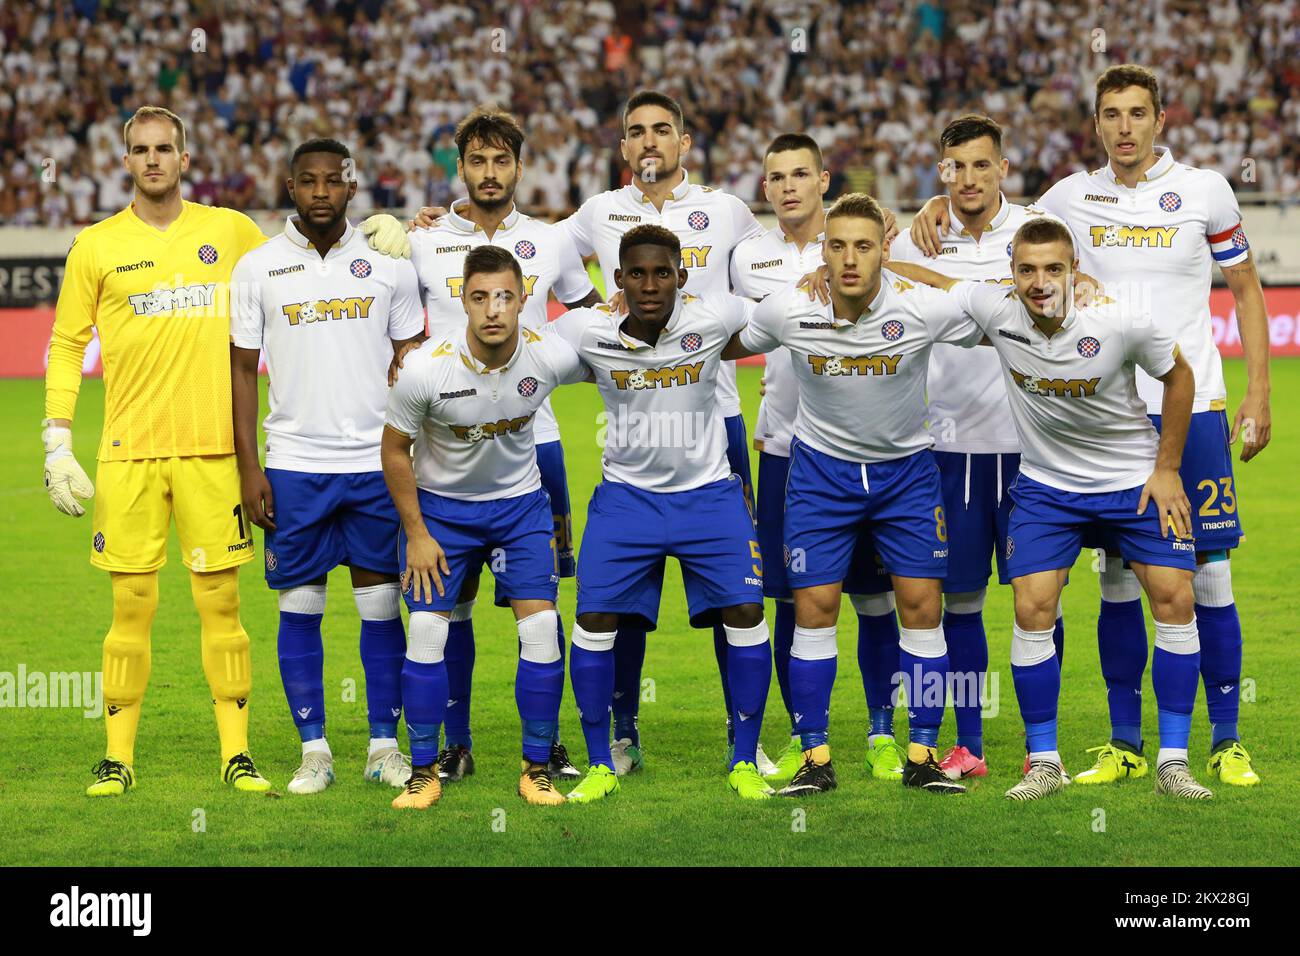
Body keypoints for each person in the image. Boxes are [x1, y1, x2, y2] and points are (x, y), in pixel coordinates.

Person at [909, 64, 1270, 787]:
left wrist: (1259, 391)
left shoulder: (1206, 191)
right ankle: (1125, 743)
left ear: (1161, 119)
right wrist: (931, 205)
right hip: (1103, 414)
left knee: (1207, 578)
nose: (1126, 127)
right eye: (1112, 115)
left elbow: (1248, 289)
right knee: (1114, 582)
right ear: (1097, 124)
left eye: (1138, 113)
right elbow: (1001, 215)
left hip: (1189, 406)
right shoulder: (1070, 196)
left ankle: (1225, 742)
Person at [886, 217, 1211, 800]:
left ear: (1074, 271)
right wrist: (860, 266)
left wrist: (1166, 469)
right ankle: (1043, 762)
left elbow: (1179, 375)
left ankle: (1173, 761)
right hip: (1046, 486)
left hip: (1131, 480)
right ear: (1010, 274)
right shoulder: (997, 309)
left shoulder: (1120, 320)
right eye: (1027, 269)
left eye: (1053, 269)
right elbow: (932, 282)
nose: (1040, 282)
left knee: (1175, 597)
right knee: (1032, 605)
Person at [44, 106, 272, 796]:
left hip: (212, 457)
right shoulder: (96, 245)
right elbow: (65, 342)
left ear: (185, 156)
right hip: (129, 456)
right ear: (124, 160)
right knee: (131, 607)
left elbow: (292, 280)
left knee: (222, 610)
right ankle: (118, 758)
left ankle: (237, 755)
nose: (152, 159)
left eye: (164, 148)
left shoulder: (231, 232)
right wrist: (58, 440)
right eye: (140, 149)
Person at [724, 193, 982, 796]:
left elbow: (996, 307)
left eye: (863, 246)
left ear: (883, 251)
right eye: (836, 246)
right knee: (814, 613)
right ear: (823, 250)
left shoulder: (920, 308)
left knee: (922, 610)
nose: (848, 259)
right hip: (820, 479)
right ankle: (815, 757)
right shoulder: (791, 308)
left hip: (907, 477)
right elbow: (726, 338)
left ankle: (921, 753)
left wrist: (1079, 290)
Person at [559, 90, 772, 776]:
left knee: (736, 595)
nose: (649, 141)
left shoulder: (730, 211)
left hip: (716, 422)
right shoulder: (596, 214)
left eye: (662, 130)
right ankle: (622, 732)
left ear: (684, 142)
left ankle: (746, 738)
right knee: (616, 600)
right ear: (623, 148)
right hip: (635, 420)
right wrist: (603, 326)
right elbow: (531, 257)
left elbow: (767, 282)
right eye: (635, 132)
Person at [404, 106, 600, 784]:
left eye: (502, 161)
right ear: (459, 167)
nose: (490, 174)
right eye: (477, 162)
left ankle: (546, 746)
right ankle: (454, 743)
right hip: (446, 457)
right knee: (448, 610)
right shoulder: (421, 240)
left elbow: (588, 317)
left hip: (534, 447)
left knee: (540, 607)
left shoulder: (550, 242)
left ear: (520, 167)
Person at [229, 138, 426, 795]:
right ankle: (313, 751)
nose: (320, 191)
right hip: (294, 466)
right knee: (300, 610)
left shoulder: (388, 265)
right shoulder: (257, 267)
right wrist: (249, 468)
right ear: (290, 186)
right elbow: (240, 370)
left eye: (332, 181)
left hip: (375, 466)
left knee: (380, 610)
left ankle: (382, 747)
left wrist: (412, 448)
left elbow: (411, 359)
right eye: (307, 181)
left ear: (351, 186)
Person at [888, 114, 1067, 781]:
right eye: (954, 166)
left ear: (1003, 167)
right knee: (955, 603)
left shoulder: (1035, 233)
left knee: (1040, 602)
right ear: (941, 171)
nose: (967, 178)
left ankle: (1039, 743)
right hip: (946, 448)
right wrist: (904, 234)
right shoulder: (917, 235)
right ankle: (968, 746)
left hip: (1033, 449)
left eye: (981, 165)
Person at [381, 245, 590, 809]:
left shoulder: (550, 356)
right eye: (480, 297)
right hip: (443, 513)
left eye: (505, 296)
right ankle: (424, 771)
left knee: (542, 632)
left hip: (521, 509)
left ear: (524, 300)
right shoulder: (426, 368)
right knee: (428, 632)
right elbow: (395, 450)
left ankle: (536, 767)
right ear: (463, 302)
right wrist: (419, 534)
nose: (493, 309)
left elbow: (623, 365)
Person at [730, 133, 902, 784]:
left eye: (802, 173)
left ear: (824, 180)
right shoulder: (744, 255)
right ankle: (811, 740)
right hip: (784, 448)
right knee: (791, 599)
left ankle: (884, 733)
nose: (789, 186)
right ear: (765, 187)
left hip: (869, 450)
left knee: (875, 598)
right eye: (777, 177)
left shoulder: (865, 240)